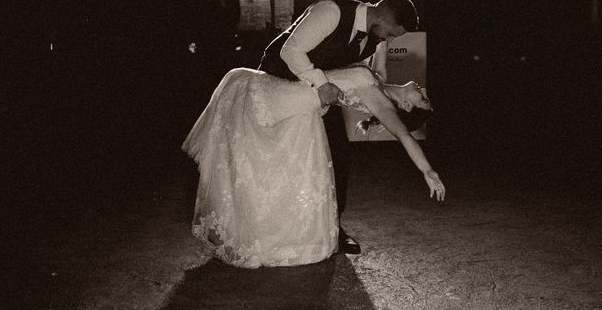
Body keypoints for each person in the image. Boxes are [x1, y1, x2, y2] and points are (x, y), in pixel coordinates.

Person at [182, 64, 445, 268]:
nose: (422, 89)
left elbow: (404, 136)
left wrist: (428, 171)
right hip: (296, 96)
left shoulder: (382, 102)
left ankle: (269, 237)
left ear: (407, 105)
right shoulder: (379, 82)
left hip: (290, 99)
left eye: (422, 98)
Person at [258, 0, 418, 254]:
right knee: (281, 158)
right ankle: (273, 226)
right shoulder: (331, 11)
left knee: (337, 155)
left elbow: (365, 76)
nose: (388, 40)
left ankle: (332, 228)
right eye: (391, 33)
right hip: (280, 84)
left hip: (317, 95)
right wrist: (321, 84)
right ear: (383, 15)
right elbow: (290, 50)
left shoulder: (374, 38)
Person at [186, 0, 241, 117]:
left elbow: (234, 24)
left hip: (228, 53)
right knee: (210, 94)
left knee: (229, 92)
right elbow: (198, 26)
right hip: (209, 54)